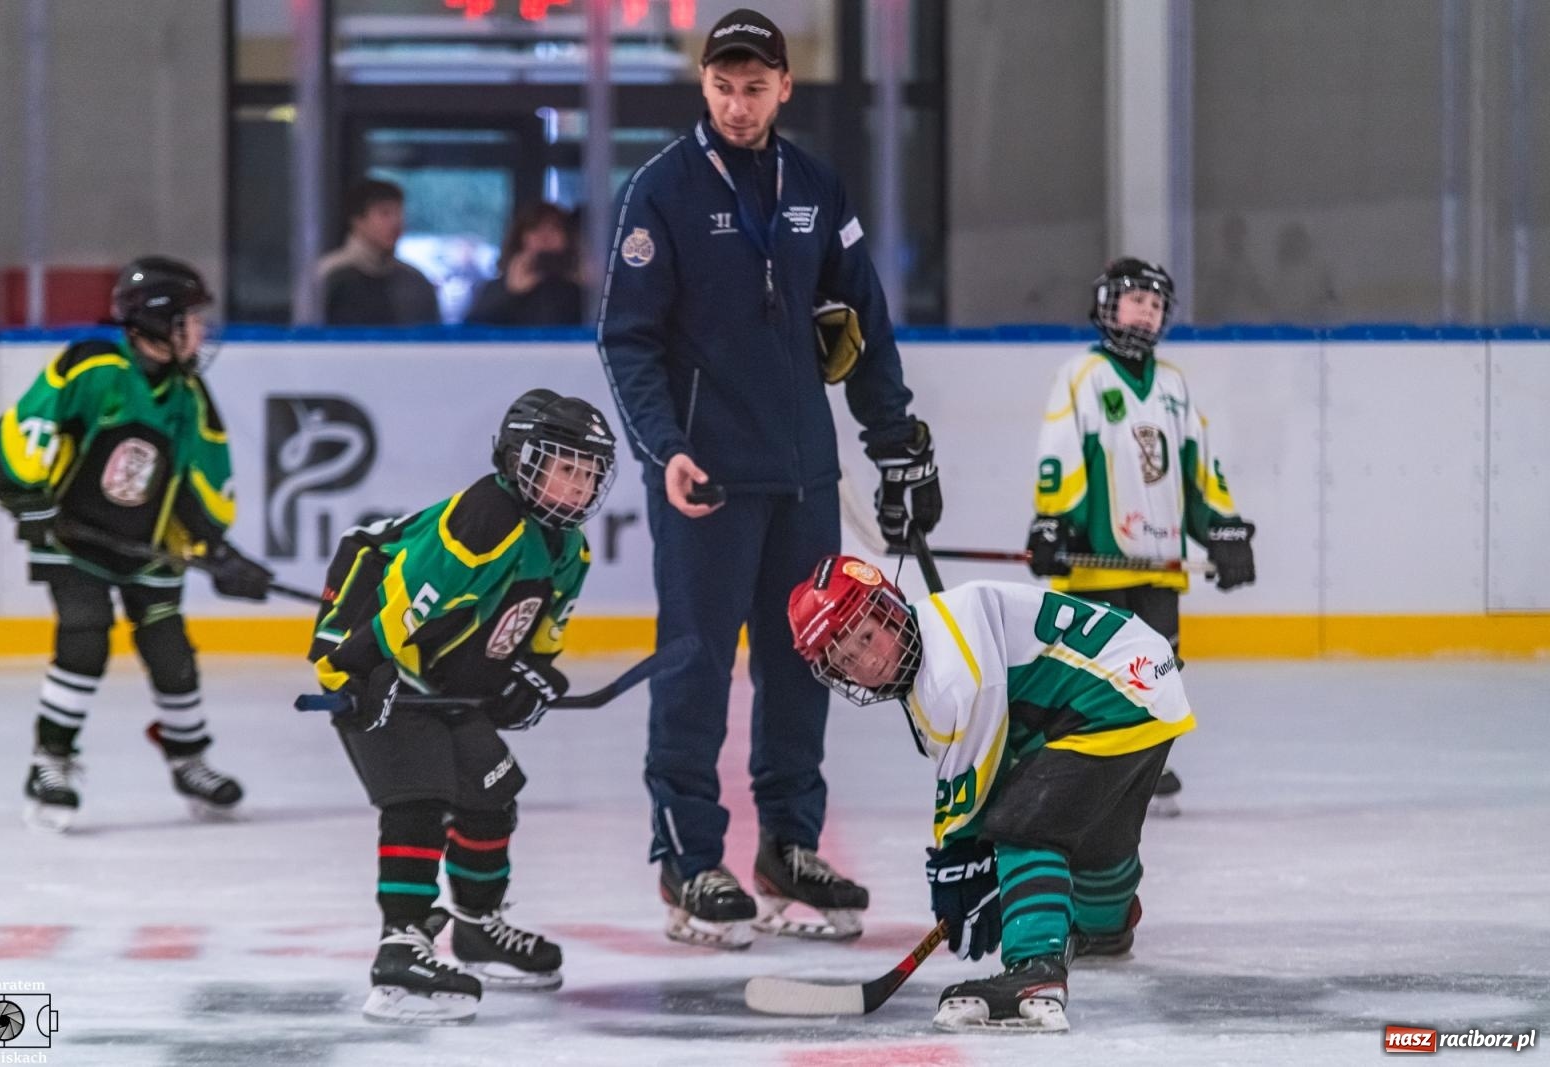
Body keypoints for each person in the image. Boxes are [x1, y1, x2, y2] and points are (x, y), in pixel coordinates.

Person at [597, 6, 942, 949]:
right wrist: (666, 447)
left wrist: (896, 442)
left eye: (755, 87)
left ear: (784, 87)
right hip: (706, 479)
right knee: (696, 666)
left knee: (804, 664)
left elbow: (860, 325)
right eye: (723, 86)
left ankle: (789, 846)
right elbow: (623, 338)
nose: (739, 104)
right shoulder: (660, 191)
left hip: (802, 479)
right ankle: (689, 859)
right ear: (702, 87)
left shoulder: (817, 187)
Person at [305, 389, 617, 1024]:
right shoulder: (484, 518)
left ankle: (476, 927)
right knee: (418, 795)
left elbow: (536, 639)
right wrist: (365, 671)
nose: (579, 486)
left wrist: (527, 679)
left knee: (491, 791)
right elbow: (401, 607)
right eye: (565, 467)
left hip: (438, 675)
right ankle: (401, 948)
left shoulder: (569, 549)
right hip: (371, 656)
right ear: (518, 460)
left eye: (589, 473)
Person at [788, 556, 1195, 1033]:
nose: (867, 661)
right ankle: (1105, 927)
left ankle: (1034, 972)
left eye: (866, 637)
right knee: (1096, 834)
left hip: (1116, 693)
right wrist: (967, 860)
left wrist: (958, 864)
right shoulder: (936, 646)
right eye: (846, 660)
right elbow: (994, 755)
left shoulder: (946, 672)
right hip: (1144, 682)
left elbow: (973, 790)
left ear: (890, 609)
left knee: (1023, 826)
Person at [0, 256, 274, 832]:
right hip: (70, 536)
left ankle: (190, 759)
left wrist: (218, 552)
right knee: (85, 636)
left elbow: (195, 485)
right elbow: (14, 437)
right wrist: (30, 501)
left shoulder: (189, 396)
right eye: (191, 317)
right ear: (160, 320)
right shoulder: (94, 367)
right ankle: (51, 761)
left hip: (146, 542)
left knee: (170, 649)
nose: (202, 330)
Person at [1025, 257, 1254, 816]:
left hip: (1160, 564)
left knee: (1158, 669)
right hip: (1096, 561)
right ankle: (1082, 765)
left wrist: (1221, 528)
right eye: (1136, 301)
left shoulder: (1173, 384)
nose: (1147, 313)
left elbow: (1200, 466)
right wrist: (1054, 519)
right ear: (1107, 304)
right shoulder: (1083, 375)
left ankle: (1144, 763)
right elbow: (1060, 455)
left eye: (1156, 305)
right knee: (1093, 673)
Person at [318, 178, 441, 326]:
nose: (396, 223)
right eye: (385, 213)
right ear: (358, 220)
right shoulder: (328, 275)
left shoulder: (415, 282)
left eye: (399, 213)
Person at [465, 202, 585, 326]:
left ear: (568, 238)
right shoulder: (499, 288)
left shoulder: (583, 289)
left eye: (554, 228)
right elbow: (470, 333)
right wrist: (509, 292)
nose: (544, 237)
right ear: (520, 238)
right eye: (534, 229)